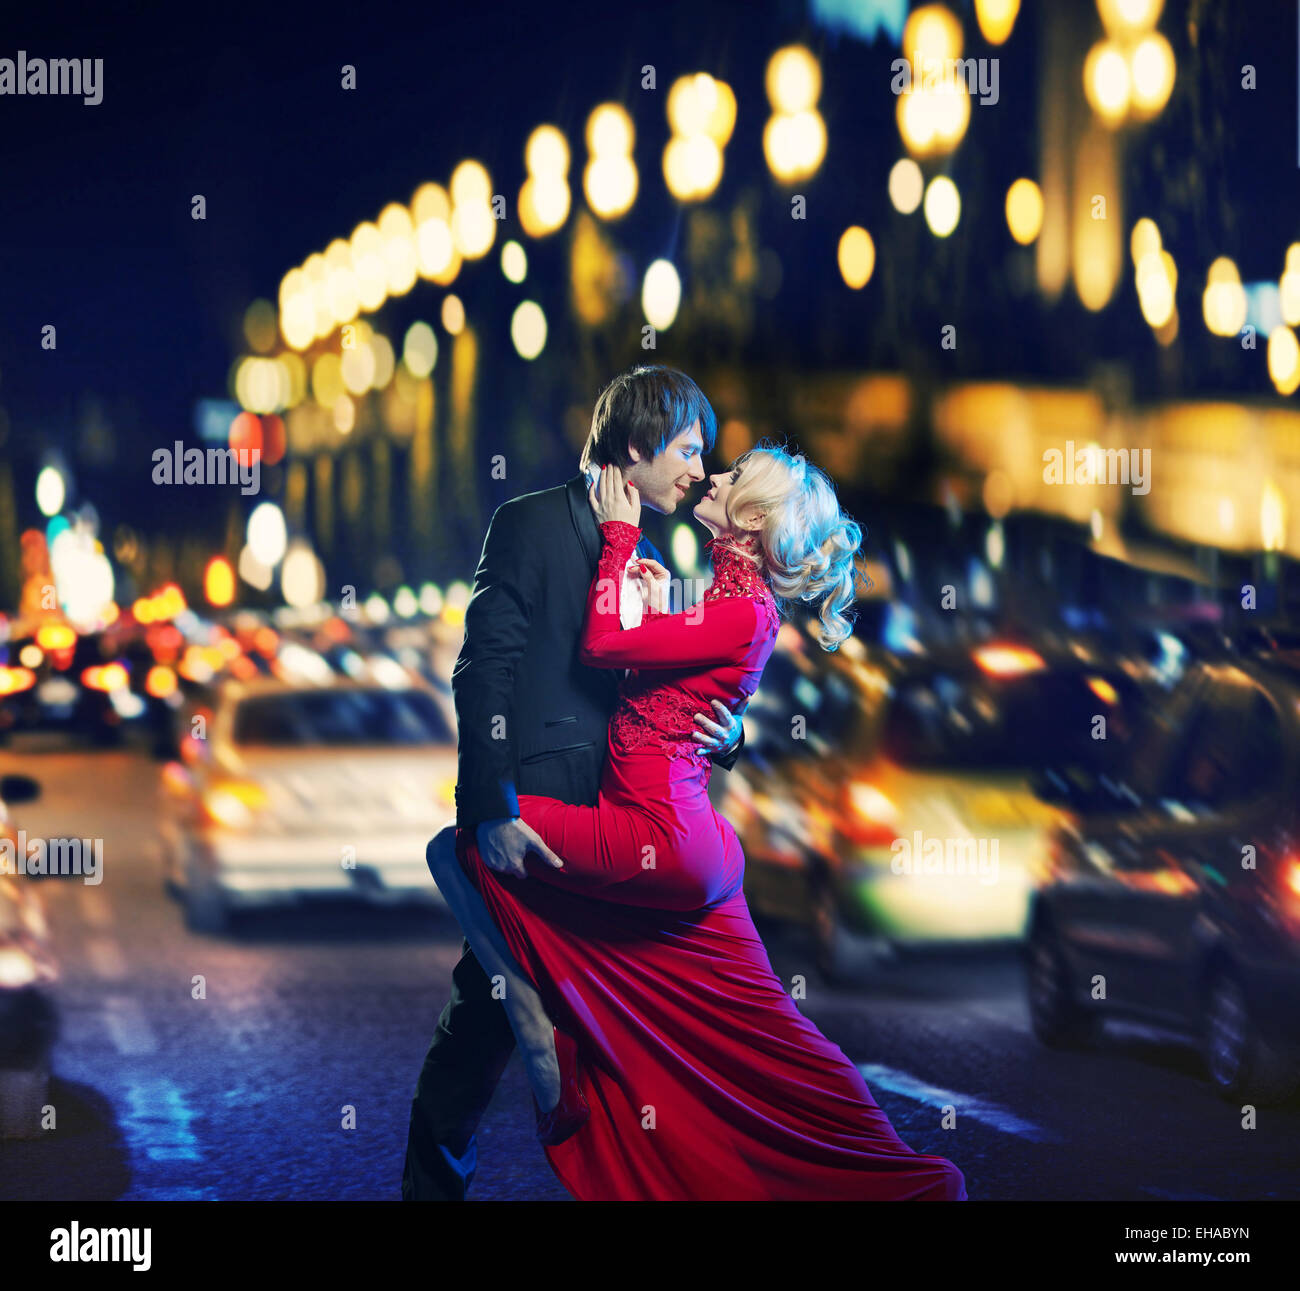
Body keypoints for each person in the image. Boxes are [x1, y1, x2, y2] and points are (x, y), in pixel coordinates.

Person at [425, 440, 968, 1200]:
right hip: (684, 841)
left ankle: (531, 1007)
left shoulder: (742, 609)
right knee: (766, 1037)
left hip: (656, 835)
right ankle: (907, 1187)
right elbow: (670, 678)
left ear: (751, 518)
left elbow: (608, 640)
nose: (712, 475)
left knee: (477, 836)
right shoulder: (726, 598)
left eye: (733, 475)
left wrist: (618, 540)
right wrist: (652, 594)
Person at [401, 365, 745, 1201]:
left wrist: (733, 733)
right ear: (637, 445)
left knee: (628, 1042)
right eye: (688, 450)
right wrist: (490, 809)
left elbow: (683, 685)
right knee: (481, 1026)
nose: (699, 469)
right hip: (543, 830)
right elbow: (483, 672)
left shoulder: (657, 555)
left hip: (627, 832)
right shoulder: (528, 524)